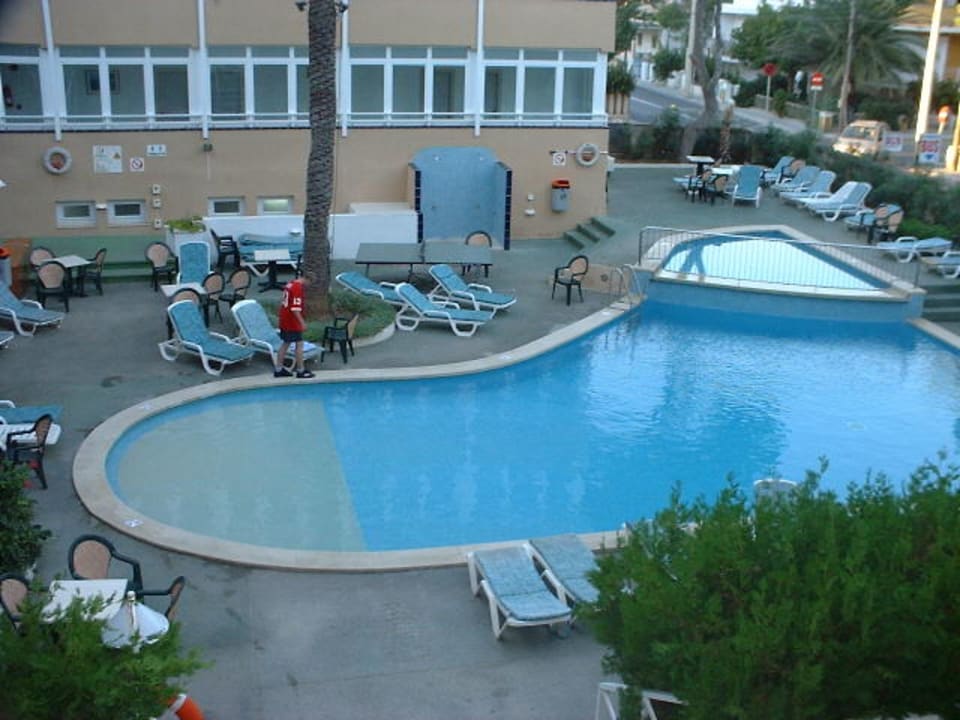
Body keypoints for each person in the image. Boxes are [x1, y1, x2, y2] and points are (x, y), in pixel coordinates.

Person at [274, 274, 315, 379]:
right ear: (307, 279)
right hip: (291, 321)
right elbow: (295, 309)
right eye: (310, 282)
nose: (308, 285)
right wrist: (302, 323)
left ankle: (279, 369)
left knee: (286, 343)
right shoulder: (298, 288)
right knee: (299, 344)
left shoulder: (290, 284)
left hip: (284, 318)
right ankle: (300, 370)